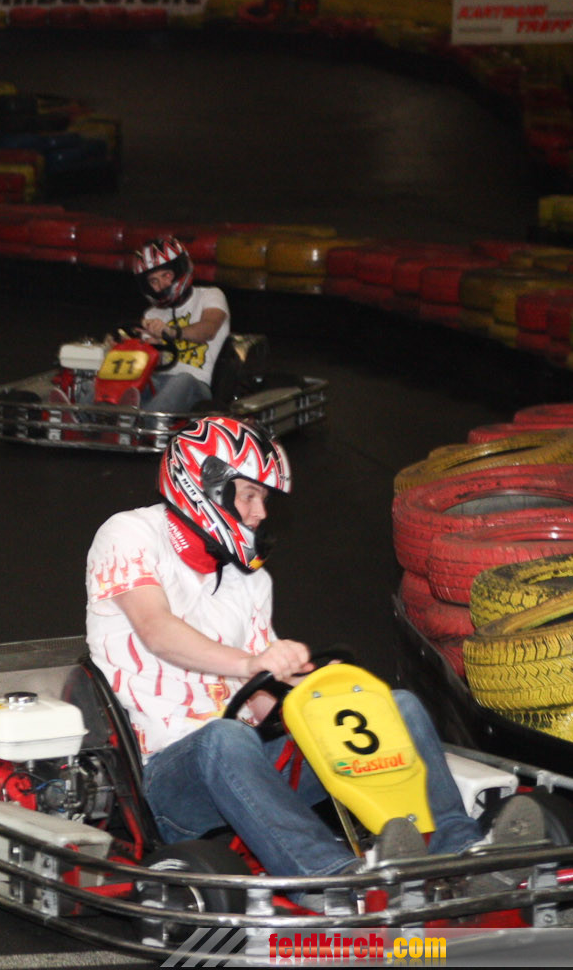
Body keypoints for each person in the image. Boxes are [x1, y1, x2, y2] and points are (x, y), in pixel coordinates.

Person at [84, 415, 541, 886]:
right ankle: (331, 878)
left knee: (395, 706)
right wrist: (251, 663)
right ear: (204, 485)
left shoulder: (249, 580)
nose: (261, 513)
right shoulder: (130, 534)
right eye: (250, 496)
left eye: (264, 499)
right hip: (167, 778)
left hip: (249, 762)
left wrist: (311, 690)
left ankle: (459, 850)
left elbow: (261, 699)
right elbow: (156, 629)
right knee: (224, 737)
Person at [131, 237, 230, 413]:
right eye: (153, 281)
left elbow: (209, 329)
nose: (162, 285)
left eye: (166, 275)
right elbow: (149, 363)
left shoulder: (210, 295)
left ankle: (147, 421)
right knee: (121, 381)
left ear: (180, 271)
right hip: (159, 382)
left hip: (196, 385)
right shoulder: (151, 314)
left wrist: (170, 332)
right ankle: (95, 416)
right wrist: (141, 346)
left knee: (182, 379)